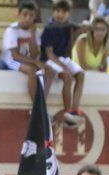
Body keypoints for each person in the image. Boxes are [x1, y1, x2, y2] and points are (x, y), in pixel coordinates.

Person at [41, 0, 85, 128]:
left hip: (64, 58)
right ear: (54, 12)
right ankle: (67, 112)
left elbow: (79, 30)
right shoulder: (49, 28)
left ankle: (74, 109)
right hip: (51, 60)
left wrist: (86, 26)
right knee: (67, 77)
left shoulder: (68, 26)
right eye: (58, 11)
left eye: (64, 11)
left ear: (68, 13)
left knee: (81, 75)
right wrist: (64, 67)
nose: (61, 14)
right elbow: (49, 54)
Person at [2, 1, 45, 100]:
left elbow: (34, 55)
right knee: (31, 70)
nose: (28, 18)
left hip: (27, 61)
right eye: (25, 14)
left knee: (44, 69)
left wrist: (33, 35)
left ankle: (42, 100)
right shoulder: (12, 30)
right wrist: (35, 62)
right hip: (11, 61)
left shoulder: (35, 32)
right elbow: (15, 56)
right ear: (19, 15)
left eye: (31, 15)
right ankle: (35, 104)